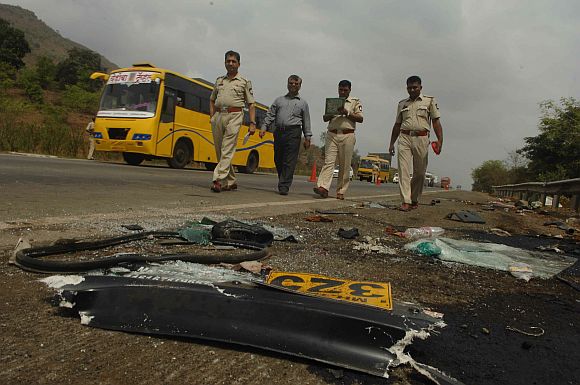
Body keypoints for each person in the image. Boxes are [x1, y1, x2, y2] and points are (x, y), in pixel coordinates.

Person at [388, 76, 443, 211]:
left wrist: (440, 141)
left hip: (422, 138)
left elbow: (436, 121)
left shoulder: (429, 101)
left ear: (420, 88)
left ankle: (414, 198)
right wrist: (391, 143)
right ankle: (405, 201)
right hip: (404, 137)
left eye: (415, 87)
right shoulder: (402, 104)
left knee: (419, 173)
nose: (412, 90)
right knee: (404, 171)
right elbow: (397, 125)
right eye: (409, 88)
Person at [209, 50, 256, 193]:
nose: (230, 63)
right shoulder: (219, 81)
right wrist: (212, 117)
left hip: (235, 116)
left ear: (239, 64)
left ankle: (218, 180)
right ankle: (231, 180)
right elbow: (212, 99)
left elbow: (251, 104)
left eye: (233, 61)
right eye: (228, 61)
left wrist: (252, 123)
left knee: (227, 148)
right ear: (224, 63)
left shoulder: (244, 82)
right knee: (219, 150)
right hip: (218, 116)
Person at [259, 75, 312, 195]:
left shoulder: (303, 103)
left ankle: (284, 185)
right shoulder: (279, 100)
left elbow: (306, 121)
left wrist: (307, 137)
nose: (293, 85)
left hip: (294, 132)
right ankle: (283, 178)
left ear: (300, 86)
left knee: (289, 160)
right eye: (291, 83)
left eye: (296, 83)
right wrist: (264, 127)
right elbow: (270, 115)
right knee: (278, 158)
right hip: (279, 131)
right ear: (287, 84)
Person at [313, 80, 363, 200]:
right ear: (338, 89)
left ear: (350, 90)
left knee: (344, 164)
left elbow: (360, 118)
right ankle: (323, 187)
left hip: (348, 134)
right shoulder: (333, 102)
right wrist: (332, 112)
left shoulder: (355, 102)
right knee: (329, 162)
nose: (342, 92)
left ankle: (341, 190)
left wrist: (347, 113)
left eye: (345, 90)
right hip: (332, 134)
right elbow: (325, 118)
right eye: (340, 89)